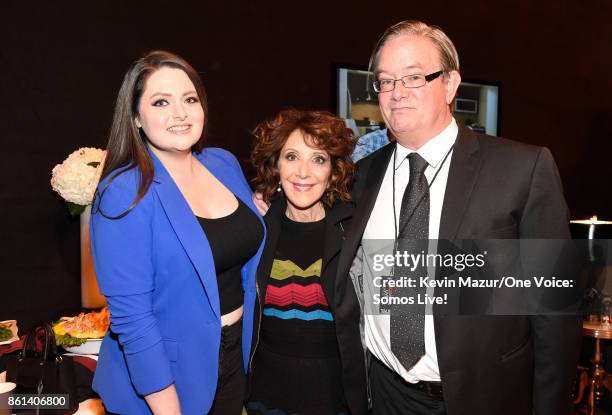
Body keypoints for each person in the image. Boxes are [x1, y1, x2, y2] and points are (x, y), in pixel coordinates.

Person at [335, 20, 582, 415]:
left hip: (483, 397)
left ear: (450, 85)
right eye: (385, 81)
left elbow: (554, 311)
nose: (396, 93)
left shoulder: (523, 168)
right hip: (382, 393)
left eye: (414, 77)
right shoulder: (361, 176)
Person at [90, 51, 265, 415]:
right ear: (136, 116)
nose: (180, 113)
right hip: (163, 377)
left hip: (233, 361)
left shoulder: (223, 163)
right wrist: (167, 407)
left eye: (189, 99)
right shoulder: (124, 191)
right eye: (160, 102)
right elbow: (132, 318)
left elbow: (237, 241)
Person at [246, 109, 368, 415]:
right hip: (266, 397)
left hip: (338, 399)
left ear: (333, 171)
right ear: (276, 165)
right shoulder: (255, 227)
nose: (303, 172)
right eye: (291, 157)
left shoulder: (355, 231)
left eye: (318, 159)